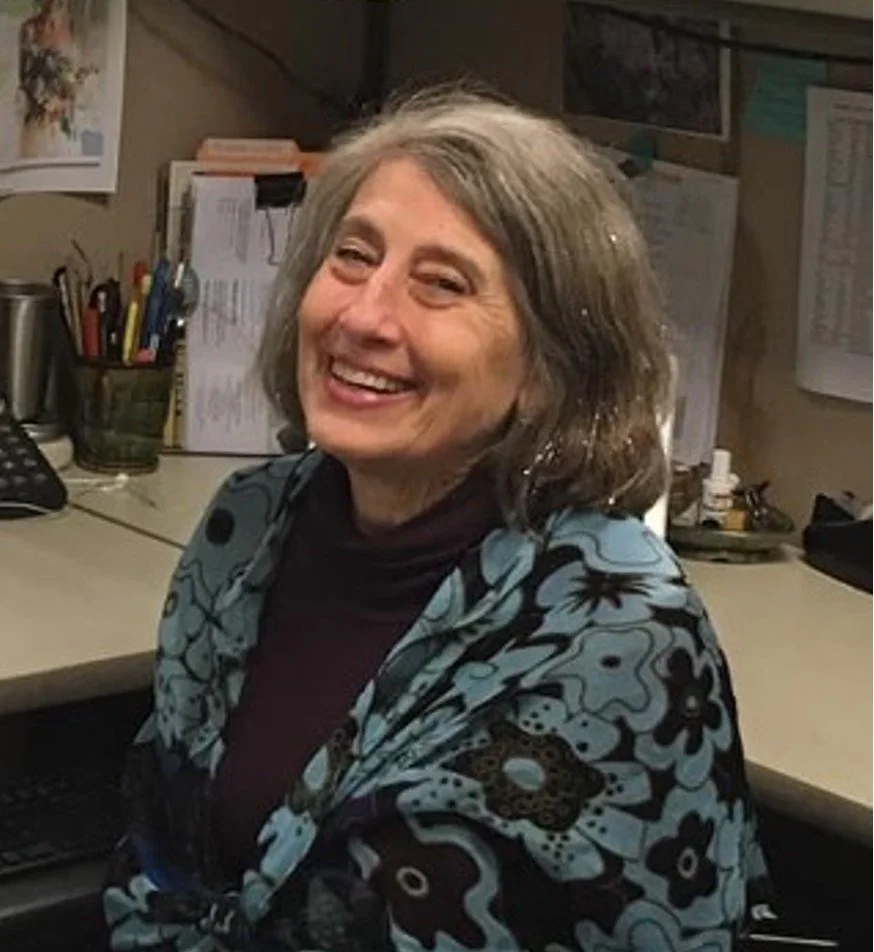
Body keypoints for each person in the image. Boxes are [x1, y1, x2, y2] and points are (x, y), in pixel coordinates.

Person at [104, 87, 769, 951]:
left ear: (547, 368)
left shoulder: (621, 642)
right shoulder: (252, 524)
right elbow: (162, 855)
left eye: (441, 285)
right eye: (352, 257)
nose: (364, 315)